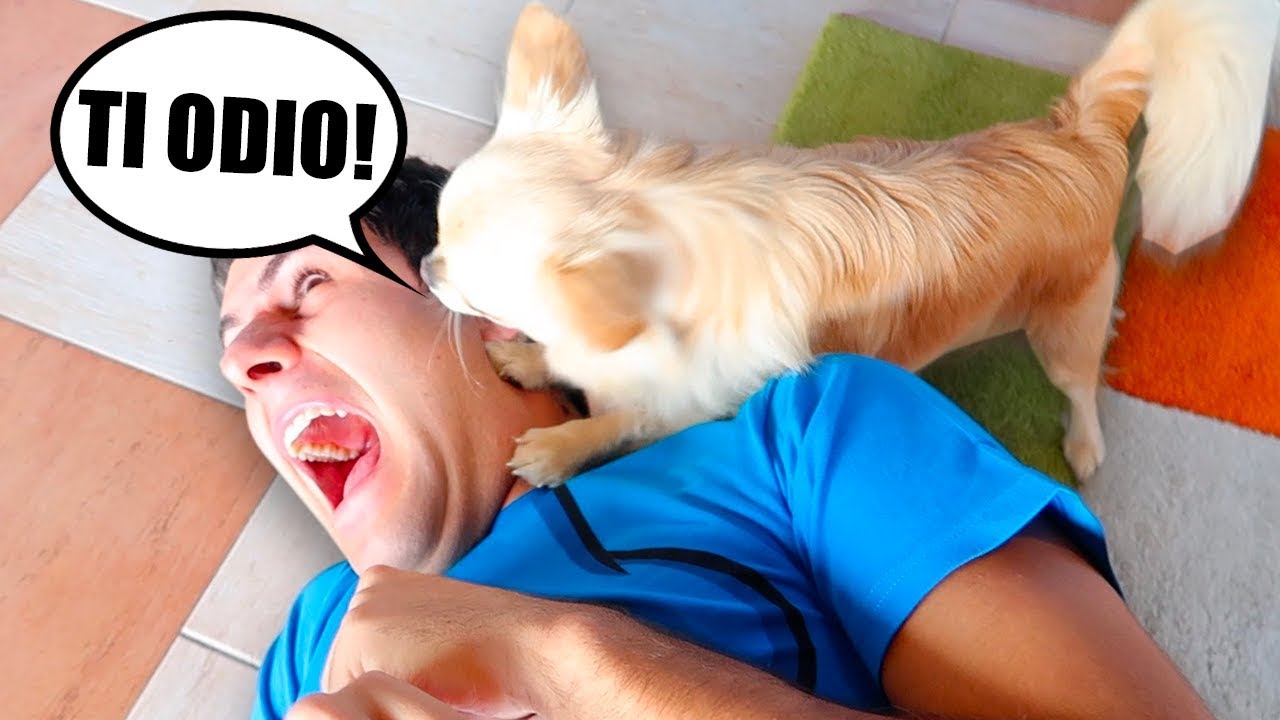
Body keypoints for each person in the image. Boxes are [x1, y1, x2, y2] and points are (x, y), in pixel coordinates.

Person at [214, 157, 1213, 720]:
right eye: (233, 339)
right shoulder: (304, 653)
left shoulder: (808, 441)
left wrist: (562, 659)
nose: (243, 358)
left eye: (308, 283)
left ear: (490, 305)